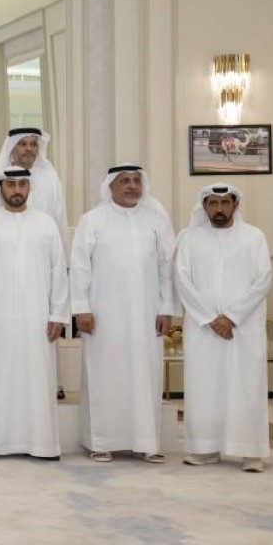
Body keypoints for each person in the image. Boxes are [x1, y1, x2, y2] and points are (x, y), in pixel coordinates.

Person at [71, 164, 176, 463]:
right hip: (103, 314)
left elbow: (166, 268)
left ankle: (146, 442)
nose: (132, 187)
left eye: (136, 181)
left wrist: (166, 308)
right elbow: (79, 266)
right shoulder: (93, 220)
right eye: (125, 181)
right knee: (104, 375)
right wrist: (81, 308)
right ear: (110, 187)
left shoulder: (156, 221)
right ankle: (101, 442)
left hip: (146, 314)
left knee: (146, 376)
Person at [0, 167, 69, 460]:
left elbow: (58, 272)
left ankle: (41, 444)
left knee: (37, 379)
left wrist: (58, 314)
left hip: (38, 317)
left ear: (30, 187)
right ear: (1, 188)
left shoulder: (46, 224)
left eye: (22, 184)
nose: (17, 190)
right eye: (11, 184)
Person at [175, 184, 273, 472]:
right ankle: (204, 448)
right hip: (203, 327)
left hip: (244, 327)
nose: (219, 209)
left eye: (225, 203)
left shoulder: (254, 237)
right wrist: (210, 318)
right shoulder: (190, 238)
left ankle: (250, 451)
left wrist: (231, 317)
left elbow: (263, 279)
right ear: (204, 206)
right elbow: (182, 279)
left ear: (235, 205)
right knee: (204, 386)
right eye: (213, 203)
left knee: (247, 386)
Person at [0, 128, 66, 239]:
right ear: (11, 147)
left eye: (33, 144)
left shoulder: (50, 178)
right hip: (6, 242)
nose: (29, 148)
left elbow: (59, 217)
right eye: (22, 144)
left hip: (43, 243)